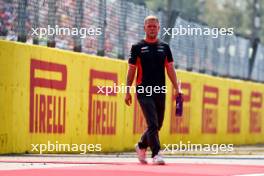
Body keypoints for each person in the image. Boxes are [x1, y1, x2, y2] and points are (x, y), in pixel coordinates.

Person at [125, 15, 181, 165]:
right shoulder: (137, 47)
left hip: (160, 90)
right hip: (143, 90)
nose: (151, 29)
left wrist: (177, 88)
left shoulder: (165, 47)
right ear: (144, 28)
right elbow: (131, 70)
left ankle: (142, 145)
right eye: (149, 26)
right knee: (152, 123)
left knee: (158, 124)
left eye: (154, 26)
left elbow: (170, 69)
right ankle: (156, 154)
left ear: (159, 28)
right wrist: (127, 90)